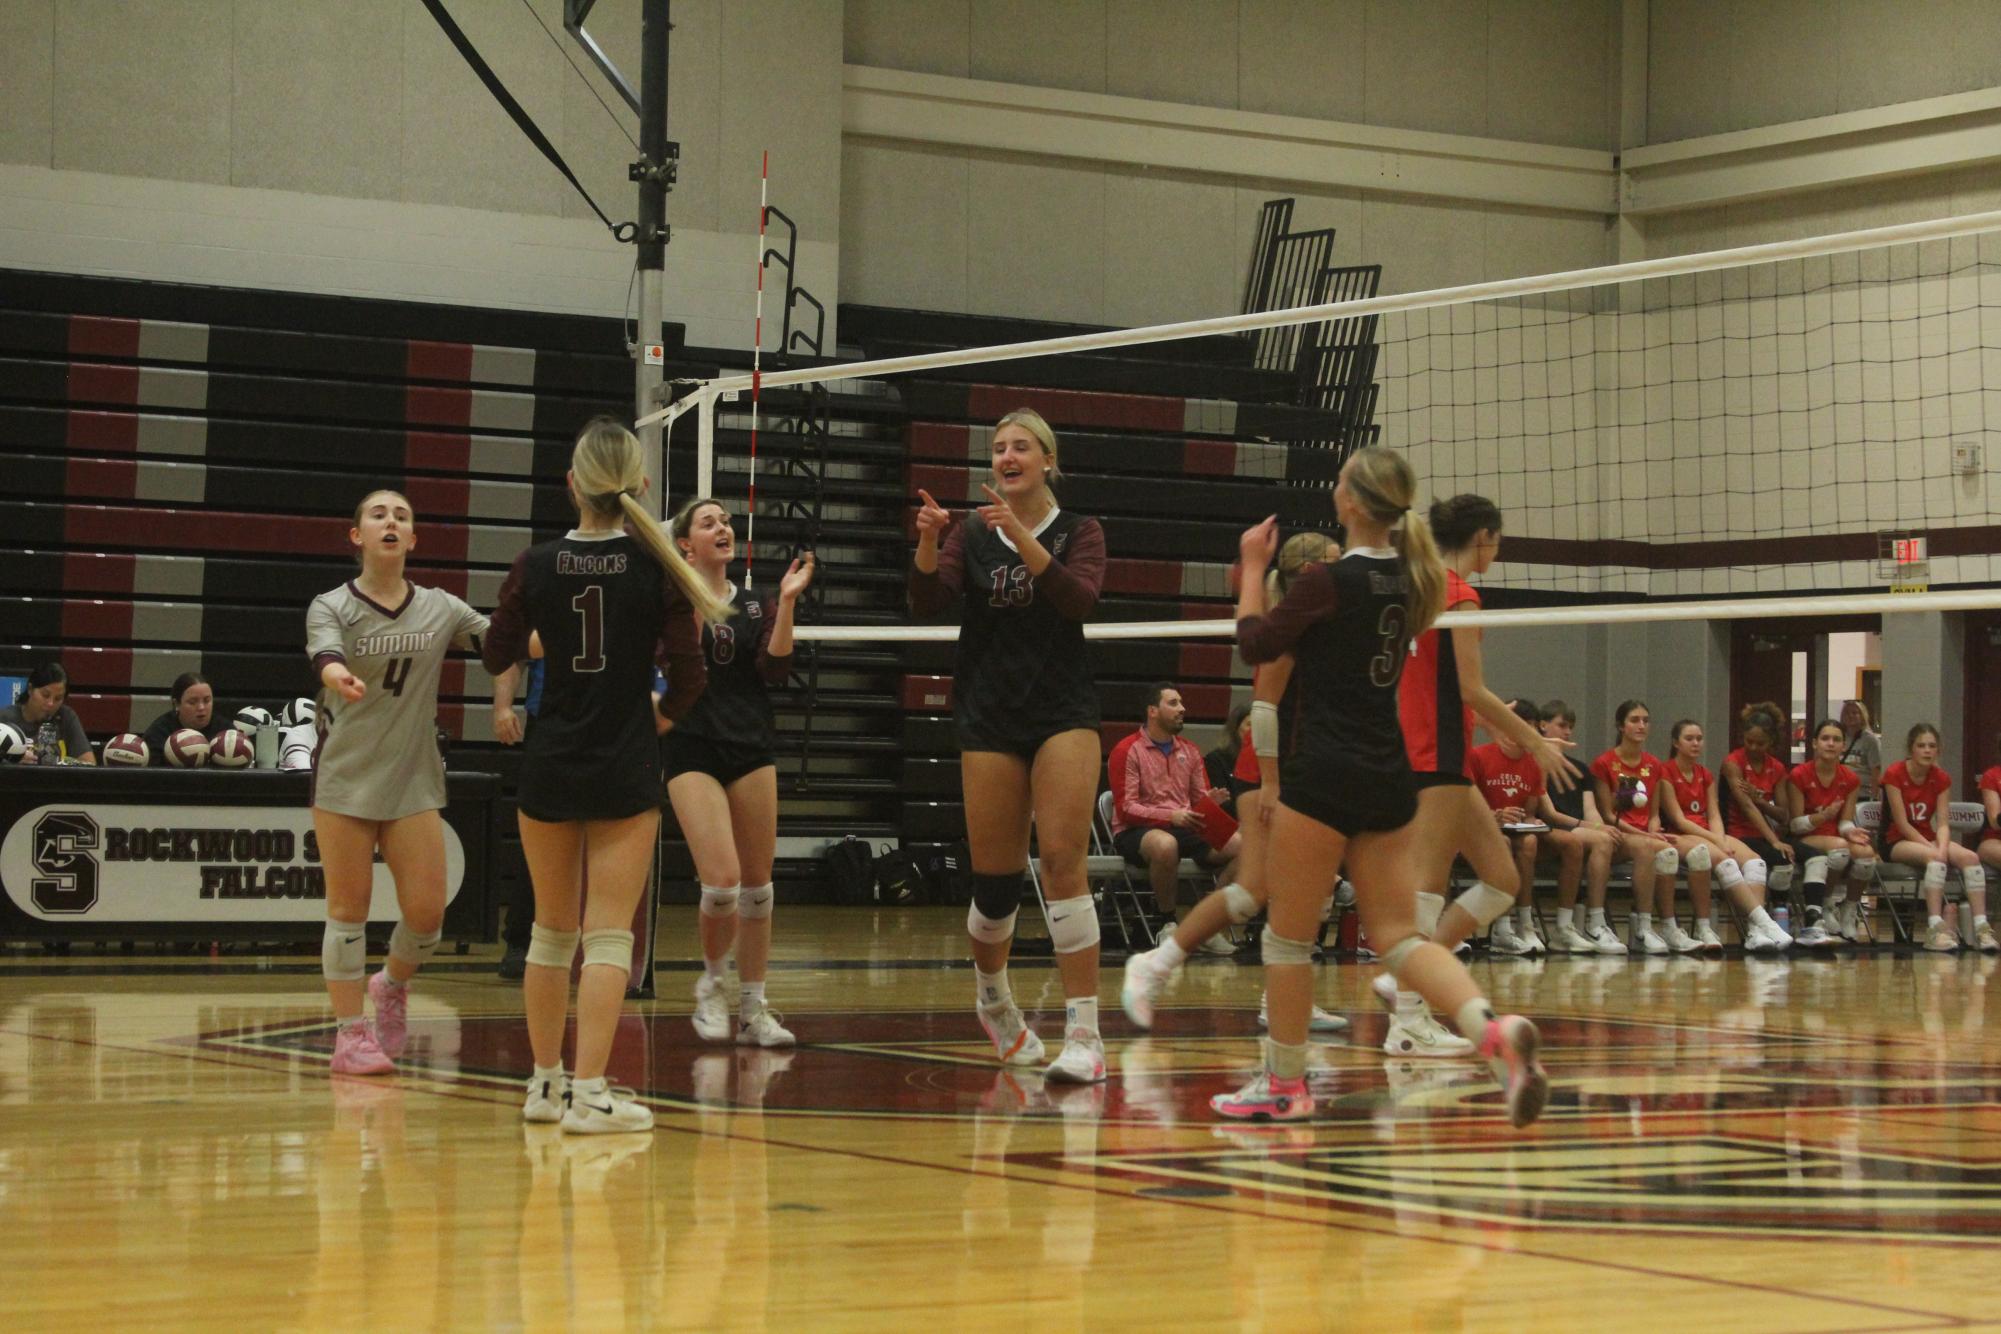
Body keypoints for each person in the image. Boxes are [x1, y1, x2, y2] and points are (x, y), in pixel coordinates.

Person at [1212, 447, 1548, 1128]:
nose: (1332, 489)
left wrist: (1252, 569)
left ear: (1354, 504)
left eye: (1338, 483)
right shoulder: (1419, 579)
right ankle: (1488, 1030)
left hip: (1324, 770)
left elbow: (1255, 643)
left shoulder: (1326, 582)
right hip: (1390, 775)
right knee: (1397, 936)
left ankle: (1282, 1085)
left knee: (1287, 940)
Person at [483, 417, 726, 1133]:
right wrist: (657, 717)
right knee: (608, 935)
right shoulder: (657, 569)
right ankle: (590, 1094)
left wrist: (543, 631)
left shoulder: (534, 564)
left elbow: (498, 652)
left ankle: (543, 1085)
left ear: (571, 486)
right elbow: (689, 674)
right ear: (640, 485)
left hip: (551, 760)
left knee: (549, 933)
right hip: (624, 761)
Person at [910, 407, 1109, 1084]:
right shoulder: (971, 530)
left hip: (1063, 711)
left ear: (1048, 461)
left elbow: (1076, 600)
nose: (1006, 455)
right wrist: (929, 543)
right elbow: (927, 605)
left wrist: (1022, 536)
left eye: (1020, 446)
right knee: (994, 884)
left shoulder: (1081, 530)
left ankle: (1084, 1031)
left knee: (1060, 860)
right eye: (997, 448)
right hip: (989, 712)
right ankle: (993, 1000)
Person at [307, 489, 516, 1076]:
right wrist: (338, 674)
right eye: (377, 514)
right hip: (346, 776)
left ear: (414, 539)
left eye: (401, 516)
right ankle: (350, 1035)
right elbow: (323, 655)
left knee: (427, 914)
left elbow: (504, 645)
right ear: (357, 536)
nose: (390, 522)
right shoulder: (331, 605)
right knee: (348, 909)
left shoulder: (441, 607)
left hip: (413, 779)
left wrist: (565, 631)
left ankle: (392, 983)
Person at [1121, 531, 1349, 1033]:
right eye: (1335, 562)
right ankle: (1158, 962)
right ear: (1311, 572)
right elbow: (1263, 711)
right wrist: (1270, 783)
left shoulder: (1323, 624)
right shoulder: (1286, 629)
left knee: (1313, 891)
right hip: (1266, 775)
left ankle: (1283, 998)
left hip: (1306, 772)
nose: (1344, 569)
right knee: (1255, 888)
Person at [1379, 495, 1570, 1057]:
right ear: (1484, 536)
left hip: (1435, 751)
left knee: (1502, 879)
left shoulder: (1413, 584)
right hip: (1432, 753)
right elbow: (1469, 688)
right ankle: (1409, 1023)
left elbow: (1441, 683)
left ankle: (1402, 980)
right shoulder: (1459, 595)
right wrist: (1536, 741)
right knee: (1426, 886)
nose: (1498, 549)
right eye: (1498, 539)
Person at [662, 496, 815, 1049]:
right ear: (686, 544)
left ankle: (754, 1008)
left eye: (725, 521)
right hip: (690, 748)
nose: (723, 527)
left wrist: (789, 603)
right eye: (709, 523)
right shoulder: (672, 603)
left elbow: (775, 669)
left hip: (750, 745)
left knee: (758, 890)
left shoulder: (756, 604)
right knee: (721, 881)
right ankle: (711, 983)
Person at [1108, 683, 1241, 928]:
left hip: (1185, 825)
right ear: (1152, 711)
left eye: (1181, 702)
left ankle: (1203, 923)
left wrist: (1208, 803)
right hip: (1135, 831)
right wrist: (1171, 816)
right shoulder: (1127, 750)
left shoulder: (1190, 750)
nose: (1183, 708)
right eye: (1173, 703)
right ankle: (1167, 923)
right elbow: (1126, 808)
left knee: (1244, 846)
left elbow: (1197, 801)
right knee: (1165, 845)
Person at [1660, 719, 1793, 952]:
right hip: (1681, 834)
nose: (1695, 743)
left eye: (1699, 739)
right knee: (1726, 861)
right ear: (1675, 743)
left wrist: (1719, 838)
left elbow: (1714, 814)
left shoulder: (1705, 774)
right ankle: (1765, 923)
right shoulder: (1666, 772)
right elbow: (1678, 820)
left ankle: (1754, 933)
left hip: (1708, 832)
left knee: (1756, 863)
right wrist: (1715, 841)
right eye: (1689, 739)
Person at [1881, 722, 1990, 953]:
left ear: (1938, 749)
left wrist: (1941, 845)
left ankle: (1982, 928)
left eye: (1932, 746)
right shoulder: (1894, 774)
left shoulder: (1940, 778)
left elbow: (1942, 823)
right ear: (1911, 748)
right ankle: (1934, 928)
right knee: (1935, 858)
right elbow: (1901, 823)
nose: (1927, 750)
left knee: (1970, 858)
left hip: (1926, 837)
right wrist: (1935, 850)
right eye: (1921, 745)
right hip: (1895, 839)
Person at [1590, 700, 1681, 954]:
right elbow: (1607, 815)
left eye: (1645, 720)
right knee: (1645, 847)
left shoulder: (1654, 765)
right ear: (1621, 726)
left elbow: (1653, 813)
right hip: (1618, 834)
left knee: (1667, 851)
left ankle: (1662, 926)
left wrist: (1653, 829)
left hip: (1644, 835)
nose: (1641, 725)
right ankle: (1639, 926)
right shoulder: (1604, 763)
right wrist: (1645, 836)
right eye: (1634, 720)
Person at [1466, 699, 1555, 955]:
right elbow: (1466, 806)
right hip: (1481, 830)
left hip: (1514, 830)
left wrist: (1529, 820)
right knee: (1502, 844)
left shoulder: (1534, 762)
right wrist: (1495, 815)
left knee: (1530, 842)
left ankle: (1525, 922)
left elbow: (1529, 810)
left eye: (1529, 728)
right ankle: (1501, 928)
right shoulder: (1478, 756)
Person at [1536, 700, 1621, 953]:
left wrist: (1599, 826)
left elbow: (1591, 809)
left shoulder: (1581, 769)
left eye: (1570, 727)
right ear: (1542, 725)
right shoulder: (1536, 764)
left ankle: (1640, 927)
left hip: (1580, 829)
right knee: (1602, 840)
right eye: (1562, 725)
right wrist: (1592, 829)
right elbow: (1550, 814)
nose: (1567, 732)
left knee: (1631, 843)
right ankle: (1595, 922)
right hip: (1552, 830)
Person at [1786, 719, 1876, 947]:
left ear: (1843, 746)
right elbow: (1795, 824)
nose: (1831, 744)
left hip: (1835, 836)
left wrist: (1851, 831)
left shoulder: (1850, 779)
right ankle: (1826, 905)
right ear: (1815, 743)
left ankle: (1849, 907)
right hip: (1805, 836)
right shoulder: (1799, 775)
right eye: (1825, 738)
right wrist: (1823, 817)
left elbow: (1844, 821)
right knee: (1840, 850)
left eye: (1836, 739)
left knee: (1866, 854)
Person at [1721, 702, 1798, 918]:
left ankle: (1781, 911)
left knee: (1790, 858)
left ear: (1771, 742)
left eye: (1760, 743)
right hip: (1737, 833)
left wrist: (1762, 801)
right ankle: (1760, 917)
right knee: (1775, 856)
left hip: (1763, 834)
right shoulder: (1732, 763)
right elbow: (1746, 806)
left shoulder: (1777, 768)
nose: (1754, 747)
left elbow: (1784, 815)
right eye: (1749, 742)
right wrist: (1774, 841)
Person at [2, 664, 95, 765]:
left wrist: (63, 762)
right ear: (30, 689)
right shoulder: (5, 719)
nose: (50, 703)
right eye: (45, 695)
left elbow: (89, 763)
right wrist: (12, 761)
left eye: (58, 698)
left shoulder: (66, 717)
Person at [141, 672, 224, 763]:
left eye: (207, 701)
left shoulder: (225, 732)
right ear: (177, 704)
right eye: (192, 702)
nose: (201, 707)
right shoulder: (158, 734)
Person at [1204, 702, 1255, 810]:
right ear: (1235, 728)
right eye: (1250, 724)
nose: (1255, 730)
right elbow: (1223, 803)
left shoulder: (1269, 761)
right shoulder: (1216, 760)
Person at [1840, 699, 1884, 803]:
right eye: (1847, 713)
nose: (1850, 716)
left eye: (1855, 713)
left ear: (1862, 715)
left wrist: (1874, 797)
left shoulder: (1871, 740)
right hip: (1841, 792)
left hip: (1863, 794)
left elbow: (1876, 770)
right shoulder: (1840, 737)